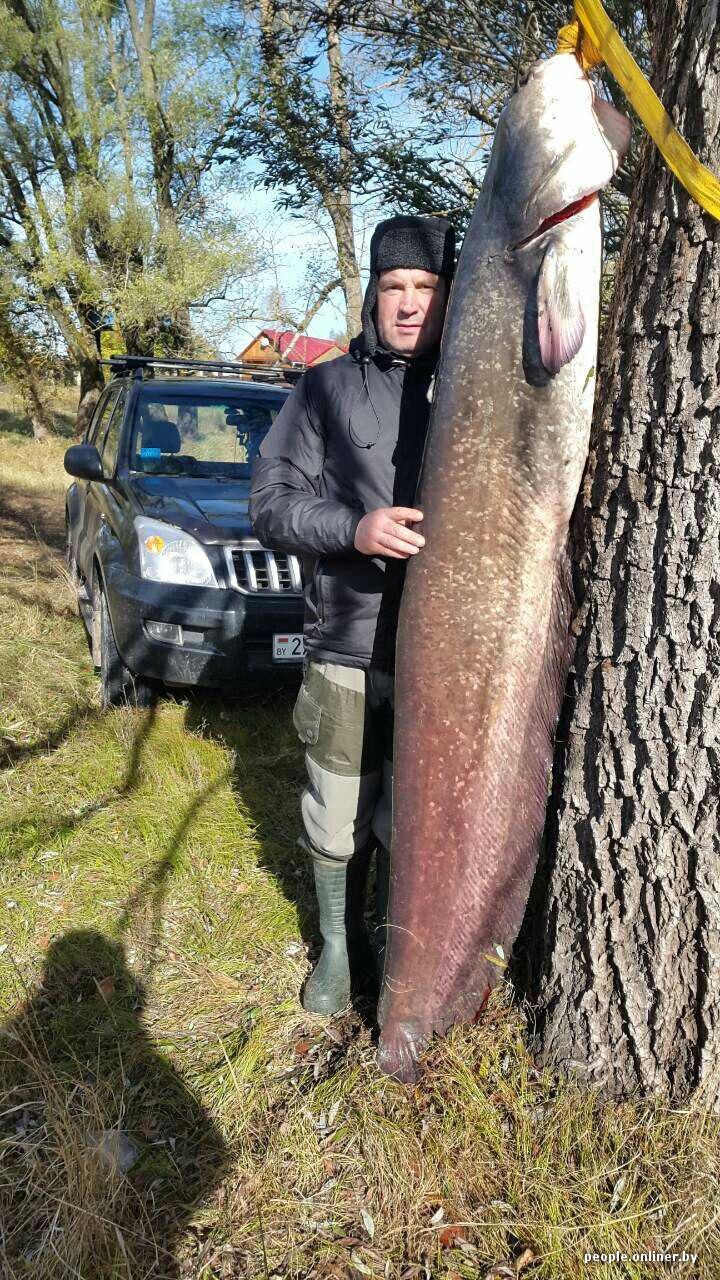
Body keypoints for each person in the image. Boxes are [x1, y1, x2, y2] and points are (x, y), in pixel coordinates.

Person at [249, 214, 456, 1015]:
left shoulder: (477, 389)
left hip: (445, 654)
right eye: (394, 287)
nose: (408, 305)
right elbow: (270, 503)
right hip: (346, 640)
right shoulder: (327, 385)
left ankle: (388, 937)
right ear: (373, 293)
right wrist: (354, 529)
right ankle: (339, 947)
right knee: (338, 820)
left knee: (411, 823)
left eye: (427, 288)